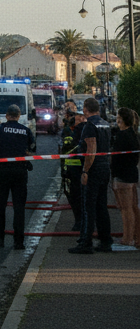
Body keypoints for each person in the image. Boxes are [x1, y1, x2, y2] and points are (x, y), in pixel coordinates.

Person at [0, 103, 36, 250]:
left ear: (7, 116)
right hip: (20, 172)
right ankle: (19, 242)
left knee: (0, 206)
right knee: (19, 207)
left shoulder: (0, 129)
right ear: (19, 116)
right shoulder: (26, 130)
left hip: (3, 171)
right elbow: (32, 149)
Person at [69, 95, 113, 254]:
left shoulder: (90, 126)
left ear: (86, 110)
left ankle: (85, 242)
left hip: (93, 169)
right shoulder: (106, 124)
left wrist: (85, 171)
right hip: (105, 168)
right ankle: (105, 240)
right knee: (102, 206)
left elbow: (91, 150)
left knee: (88, 207)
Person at [110, 106, 140, 249]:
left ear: (120, 119)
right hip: (132, 174)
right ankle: (136, 237)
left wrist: (113, 175)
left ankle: (127, 238)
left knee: (125, 209)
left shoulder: (122, 135)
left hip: (122, 176)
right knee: (133, 208)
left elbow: (116, 159)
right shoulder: (133, 134)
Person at [59, 101, 83, 231]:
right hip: (71, 168)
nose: (76, 118)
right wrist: (63, 169)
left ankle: (83, 221)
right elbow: (62, 149)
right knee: (73, 196)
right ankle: (78, 220)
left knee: (83, 197)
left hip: (83, 168)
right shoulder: (67, 130)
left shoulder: (86, 129)